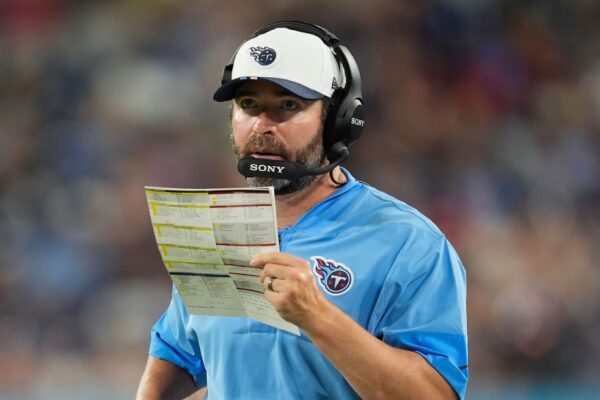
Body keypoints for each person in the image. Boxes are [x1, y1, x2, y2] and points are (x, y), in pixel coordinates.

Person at [137, 21, 468, 400]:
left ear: (337, 121)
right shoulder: (220, 231)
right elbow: (176, 355)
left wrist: (316, 316)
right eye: (248, 105)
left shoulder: (410, 243)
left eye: (288, 106)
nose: (261, 126)